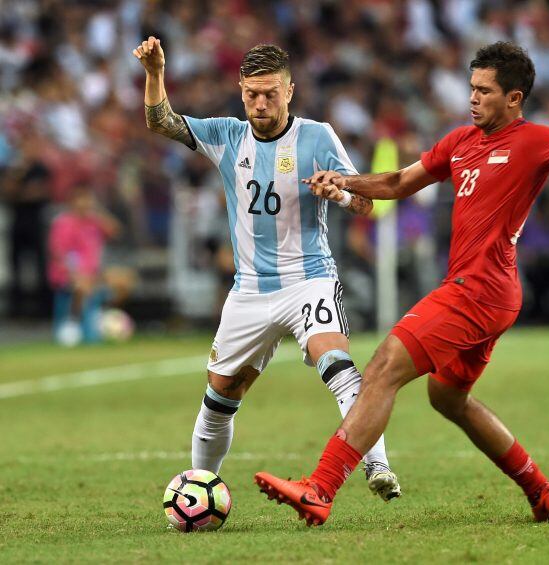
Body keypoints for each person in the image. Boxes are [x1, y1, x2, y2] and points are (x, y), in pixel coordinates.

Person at [254, 41, 549, 526]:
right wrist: (347, 182)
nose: (473, 98)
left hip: (479, 289)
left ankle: (319, 488)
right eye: (471, 88)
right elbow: (399, 182)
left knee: (382, 369)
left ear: (514, 98)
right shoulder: (460, 141)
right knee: (447, 398)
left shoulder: (535, 142)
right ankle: (542, 491)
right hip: (485, 291)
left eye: (484, 90)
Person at [132, 37, 401, 500]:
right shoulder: (226, 136)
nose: (260, 103)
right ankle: (199, 488)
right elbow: (162, 122)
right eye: (252, 93)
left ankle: (378, 467)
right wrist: (155, 73)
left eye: (270, 93)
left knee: (335, 363)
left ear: (290, 91)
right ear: (240, 90)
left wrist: (337, 189)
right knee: (220, 398)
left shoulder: (318, 137)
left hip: (308, 280)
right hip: (249, 292)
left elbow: (363, 204)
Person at [48, 186, 121, 345]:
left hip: (93, 273)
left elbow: (116, 230)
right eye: (82, 199)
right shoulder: (63, 223)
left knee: (123, 281)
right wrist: (75, 274)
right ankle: (73, 327)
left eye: (89, 200)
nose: (86, 203)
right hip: (67, 274)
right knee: (83, 286)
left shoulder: (94, 221)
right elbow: (60, 254)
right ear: (72, 202)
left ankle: (103, 320)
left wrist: (98, 211)